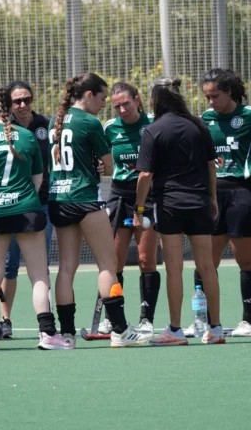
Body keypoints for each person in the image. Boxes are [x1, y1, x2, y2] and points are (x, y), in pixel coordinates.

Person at [48, 73, 150, 347]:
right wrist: (99, 166)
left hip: (58, 198)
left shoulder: (53, 122)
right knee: (108, 264)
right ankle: (120, 330)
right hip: (84, 199)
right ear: (89, 95)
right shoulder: (90, 123)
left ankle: (66, 334)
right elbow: (109, 164)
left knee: (66, 267)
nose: (105, 104)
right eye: (103, 98)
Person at [0, 86, 67, 351]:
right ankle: (47, 334)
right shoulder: (28, 137)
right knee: (38, 274)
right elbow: (37, 179)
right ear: (9, 108)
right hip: (27, 210)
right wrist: (22, 202)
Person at [134, 78, 225, 346]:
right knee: (207, 266)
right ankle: (216, 329)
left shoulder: (153, 130)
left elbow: (145, 175)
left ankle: (174, 330)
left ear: (155, 101)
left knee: (174, 269)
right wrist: (213, 198)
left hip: (170, 205)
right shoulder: (199, 125)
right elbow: (211, 166)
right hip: (199, 203)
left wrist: (139, 209)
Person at [192, 68, 251, 338]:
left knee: (247, 261)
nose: (210, 102)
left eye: (215, 96)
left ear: (229, 92)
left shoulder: (250, 115)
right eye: (206, 97)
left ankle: (248, 321)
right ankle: (203, 321)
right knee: (204, 262)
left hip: (244, 193)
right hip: (213, 194)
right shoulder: (205, 119)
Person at [98, 82, 159, 336]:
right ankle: (115, 318)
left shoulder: (154, 123)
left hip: (149, 196)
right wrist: (101, 167)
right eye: (117, 106)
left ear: (137, 99)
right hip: (120, 197)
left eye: (126, 103)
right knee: (114, 262)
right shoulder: (110, 129)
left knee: (146, 260)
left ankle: (146, 319)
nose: (122, 110)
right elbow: (102, 160)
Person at [1, 80, 53, 339]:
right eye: (17, 101)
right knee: (8, 266)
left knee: (40, 266)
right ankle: (5, 320)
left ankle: (47, 321)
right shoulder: (1, 129)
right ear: (9, 104)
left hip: (41, 204)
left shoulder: (46, 125)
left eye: (27, 100)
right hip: (9, 205)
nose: (22, 105)